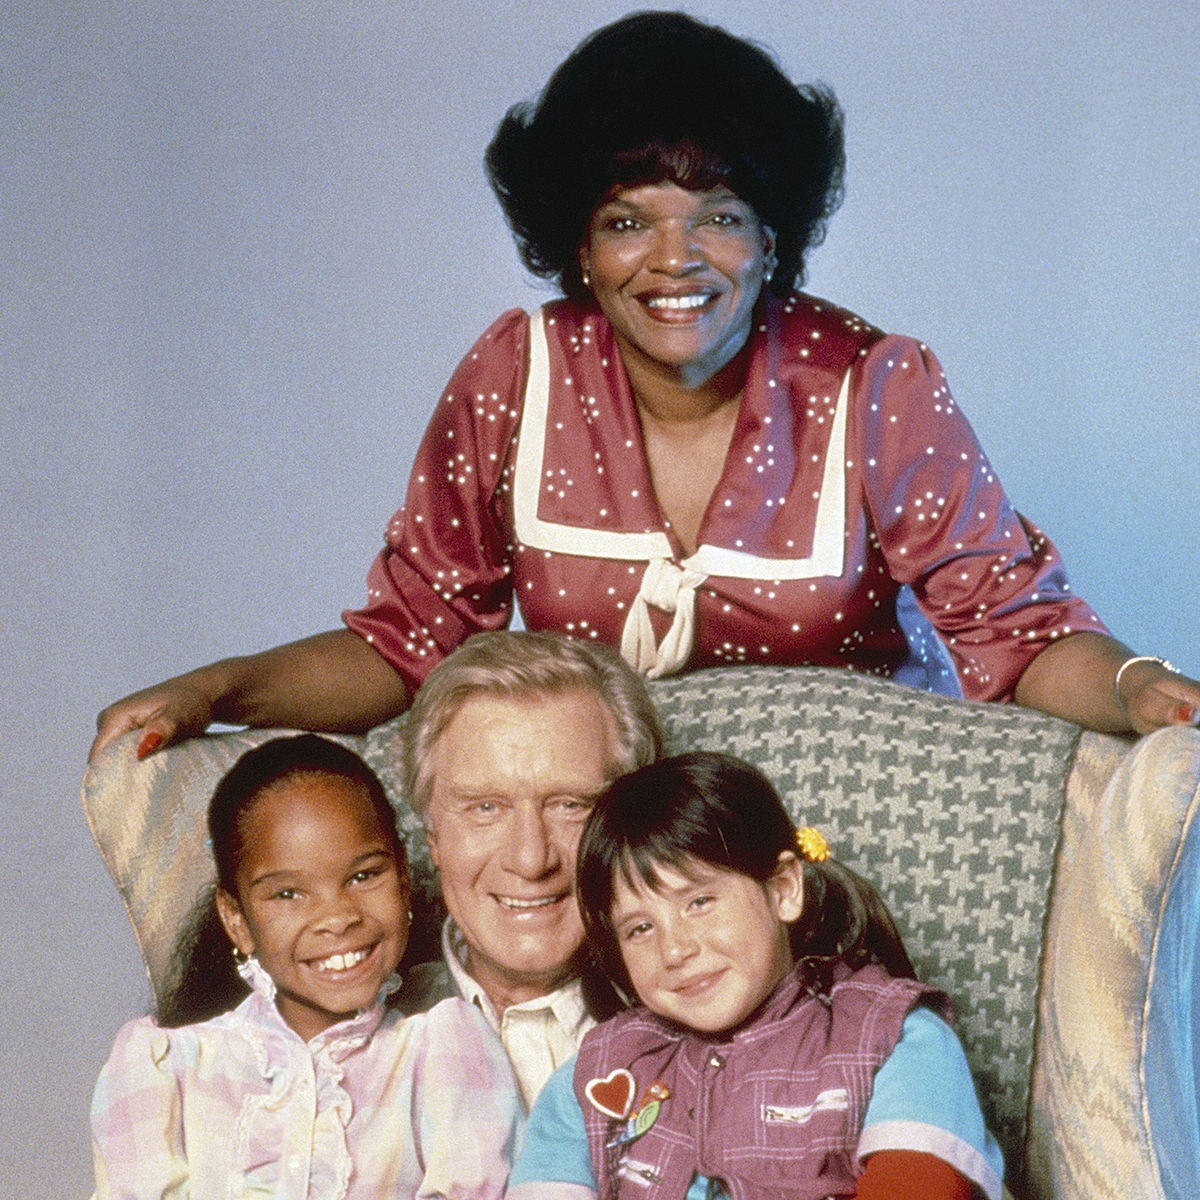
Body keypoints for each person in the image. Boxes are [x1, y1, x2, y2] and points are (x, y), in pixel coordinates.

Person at [91, 10, 1200, 761]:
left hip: (836, 841)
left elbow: (1015, 628)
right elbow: (410, 641)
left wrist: (1142, 687)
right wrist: (216, 692)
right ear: (576, 242)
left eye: (719, 216)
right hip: (603, 852)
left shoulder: (873, 383)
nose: (676, 260)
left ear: (775, 240)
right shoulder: (516, 375)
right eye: (628, 219)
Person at [509, 752, 1004, 1200]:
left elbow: (920, 1188)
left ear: (784, 889)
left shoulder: (894, 1037)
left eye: (699, 902)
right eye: (639, 928)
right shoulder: (596, 1077)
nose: (675, 949)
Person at [90, 734, 522, 1199]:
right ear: (238, 921)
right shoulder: (165, 1071)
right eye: (288, 894)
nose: (338, 917)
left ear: (403, 877)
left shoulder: (443, 1051)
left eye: (363, 876)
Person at [392, 630, 663, 1109]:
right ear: (432, 838)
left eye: (571, 805)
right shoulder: (362, 1033)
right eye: (485, 808)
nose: (531, 859)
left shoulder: (704, 1005)